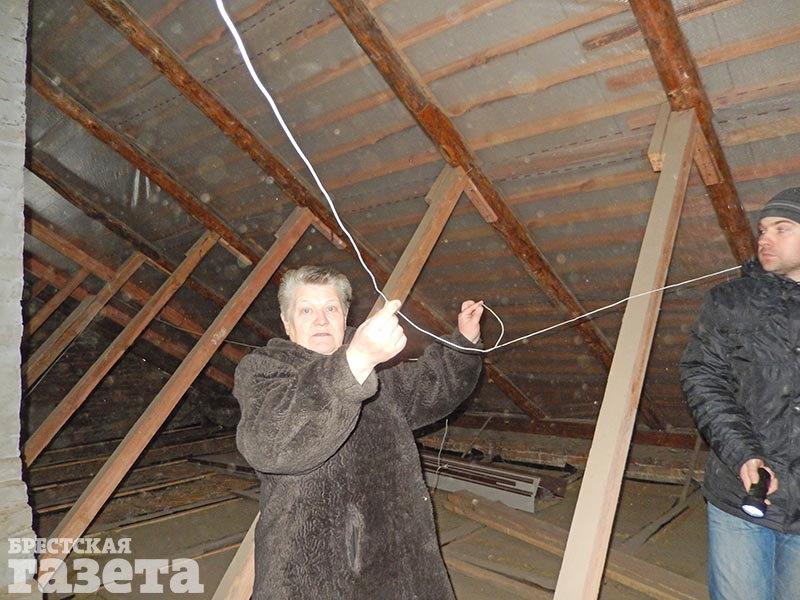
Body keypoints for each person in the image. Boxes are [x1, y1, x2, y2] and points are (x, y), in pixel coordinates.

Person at [233, 265, 484, 599]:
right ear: (286, 321)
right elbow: (271, 445)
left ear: (345, 316)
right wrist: (354, 363)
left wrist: (464, 342)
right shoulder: (265, 370)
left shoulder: (373, 369)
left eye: (331, 308)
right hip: (310, 570)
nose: (321, 320)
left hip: (398, 556)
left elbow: (431, 388)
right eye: (306, 310)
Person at [680, 187, 800, 600]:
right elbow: (702, 376)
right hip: (742, 493)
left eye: (782, 228)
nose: (765, 238)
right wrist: (743, 454)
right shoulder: (730, 302)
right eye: (762, 230)